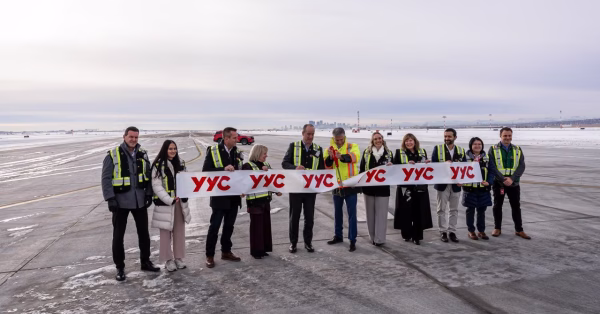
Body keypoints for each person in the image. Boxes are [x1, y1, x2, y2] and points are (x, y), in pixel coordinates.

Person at [101, 126, 159, 282]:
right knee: (118, 236)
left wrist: (148, 194)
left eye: (136, 137)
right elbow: (106, 179)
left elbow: (148, 175)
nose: (133, 140)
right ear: (124, 136)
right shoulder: (113, 155)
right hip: (120, 203)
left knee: (144, 235)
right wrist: (110, 198)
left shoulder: (143, 154)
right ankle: (120, 267)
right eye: (131, 137)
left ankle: (145, 261)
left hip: (139, 201)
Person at [202, 127, 244, 268]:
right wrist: (223, 169)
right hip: (220, 197)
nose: (237, 140)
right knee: (214, 227)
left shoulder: (237, 152)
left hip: (233, 197)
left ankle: (226, 251)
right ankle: (210, 255)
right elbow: (206, 171)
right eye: (234, 138)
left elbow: (241, 172)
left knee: (229, 226)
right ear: (226, 138)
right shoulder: (213, 151)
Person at [282, 124, 325, 253]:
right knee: (294, 217)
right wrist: (295, 168)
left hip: (310, 190)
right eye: (308, 134)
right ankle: (293, 243)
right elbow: (284, 163)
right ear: (303, 133)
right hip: (296, 188)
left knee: (309, 217)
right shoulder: (293, 146)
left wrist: (320, 185)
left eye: (312, 134)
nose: (310, 137)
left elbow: (321, 169)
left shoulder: (318, 149)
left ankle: (308, 242)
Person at [151, 140, 191, 271]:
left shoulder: (181, 164)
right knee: (165, 233)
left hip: (179, 203)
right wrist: (169, 199)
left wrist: (185, 194)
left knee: (179, 232)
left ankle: (179, 258)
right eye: (170, 149)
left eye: (175, 148)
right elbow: (157, 186)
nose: (173, 151)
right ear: (165, 150)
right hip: (165, 204)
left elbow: (187, 181)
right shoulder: (158, 165)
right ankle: (168, 260)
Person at [488, 127, 530, 239]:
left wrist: (512, 178)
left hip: (514, 183)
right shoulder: (493, 149)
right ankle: (497, 228)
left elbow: (522, 166)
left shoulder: (517, 149)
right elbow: (492, 167)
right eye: (505, 135)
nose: (507, 138)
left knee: (516, 206)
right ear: (500, 136)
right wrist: (503, 179)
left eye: (509, 135)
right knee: (497, 206)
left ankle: (519, 229)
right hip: (499, 183)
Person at [323, 127, 361, 252]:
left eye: (341, 139)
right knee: (337, 213)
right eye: (337, 140)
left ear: (344, 137)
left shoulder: (351, 146)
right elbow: (326, 166)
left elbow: (355, 157)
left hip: (350, 185)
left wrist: (341, 157)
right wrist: (330, 157)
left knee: (352, 214)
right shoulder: (328, 149)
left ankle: (352, 240)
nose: (339, 142)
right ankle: (338, 236)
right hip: (337, 186)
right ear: (333, 138)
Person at [242, 144, 282, 259]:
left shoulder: (267, 165)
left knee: (265, 226)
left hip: (265, 200)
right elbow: (247, 182)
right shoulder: (247, 166)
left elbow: (271, 181)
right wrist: (261, 171)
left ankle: (264, 248)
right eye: (264, 153)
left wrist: (276, 191)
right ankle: (256, 251)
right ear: (258, 153)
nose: (266, 156)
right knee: (256, 228)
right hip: (254, 202)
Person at [393, 133, 433, 245]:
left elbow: (427, 167)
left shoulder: (422, 152)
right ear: (404, 142)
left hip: (419, 187)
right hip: (405, 187)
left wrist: (427, 164)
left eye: (411, 140)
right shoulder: (399, 153)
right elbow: (395, 168)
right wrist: (405, 165)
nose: (409, 143)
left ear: (415, 142)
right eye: (406, 141)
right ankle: (406, 234)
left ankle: (417, 236)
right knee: (405, 212)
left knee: (418, 211)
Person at [431, 128, 466, 243]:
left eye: (449, 136)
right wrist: (443, 164)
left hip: (456, 184)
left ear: (455, 137)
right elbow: (433, 166)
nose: (447, 139)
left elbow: (465, 168)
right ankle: (443, 232)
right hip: (442, 184)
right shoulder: (438, 149)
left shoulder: (461, 150)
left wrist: (463, 180)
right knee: (441, 209)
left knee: (454, 209)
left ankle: (452, 231)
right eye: (445, 136)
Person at [359, 132, 393, 246]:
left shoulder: (389, 154)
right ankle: (372, 237)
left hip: (383, 189)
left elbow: (395, 171)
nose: (378, 140)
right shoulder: (367, 153)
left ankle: (380, 239)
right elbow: (362, 170)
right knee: (370, 214)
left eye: (379, 138)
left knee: (381, 214)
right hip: (369, 188)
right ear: (372, 141)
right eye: (375, 139)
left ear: (382, 139)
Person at [462, 137, 495, 240]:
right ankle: (471, 231)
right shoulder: (465, 157)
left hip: (483, 189)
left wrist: (489, 182)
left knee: (481, 211)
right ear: (471, 146)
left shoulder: (487, 157)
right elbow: (460, 170)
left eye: (479, 144)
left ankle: (481, 231)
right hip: (470, 189)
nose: (477, 146)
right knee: (470, 210)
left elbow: (491, 171)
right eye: (475, 144)